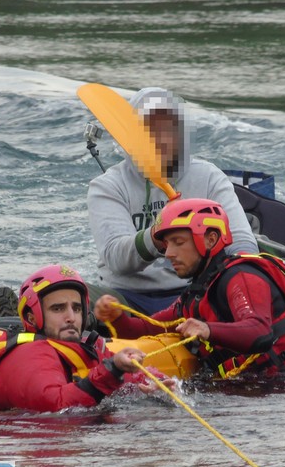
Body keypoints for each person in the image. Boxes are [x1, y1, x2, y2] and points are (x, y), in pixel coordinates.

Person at [93, 198, 285, 378]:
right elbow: (147, 329)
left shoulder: (242, 276)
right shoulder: (196, 294)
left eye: (178, 242)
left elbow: (259, 332)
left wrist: (207, 329)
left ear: (211, 239)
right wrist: (117, 318)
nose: (168, 253)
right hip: (261, 386)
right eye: (166, 244)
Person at [87, 86, 259, 316]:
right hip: (124, 297)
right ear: (130, 136)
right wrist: (159, 233)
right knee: (68, 294)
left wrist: (246, 279)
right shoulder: (107, 185)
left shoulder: (208, 177)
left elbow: (241, 241)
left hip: (195, 292)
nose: (159, 139)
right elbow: (116, 258)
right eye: (148, 130)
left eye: (168, 129)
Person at [0, 264, 174, 414]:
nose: (71, 317)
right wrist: (113, 369)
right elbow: (57, 405)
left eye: (77, 309)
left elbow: (132, 377)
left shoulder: (87, 346)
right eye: (58, 308)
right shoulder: (27, 355)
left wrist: (157, 382)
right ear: (32, 317)